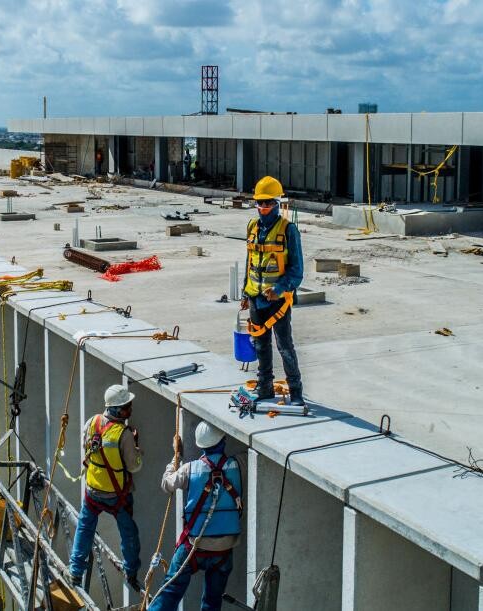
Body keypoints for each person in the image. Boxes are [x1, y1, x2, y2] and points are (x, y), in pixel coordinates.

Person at [147, 422, 243, 611]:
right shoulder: (238, 465)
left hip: (194, 546)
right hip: (224, 548)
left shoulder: (190, 469)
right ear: (223, 441)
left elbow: (167, 484)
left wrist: (176, 455)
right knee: (212, 602)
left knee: (170, 592)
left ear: (201, 445)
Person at [68, 384, 143, 592]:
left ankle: (75, 570)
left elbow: (88, 448)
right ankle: (131, 571)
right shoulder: (124, 433)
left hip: (93, 489)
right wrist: (135, 447)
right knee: (129, 533)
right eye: (128, 406)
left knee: (85, 527)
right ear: (117, 410)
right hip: (116, 495)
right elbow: (134, 466)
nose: (130, 409)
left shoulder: (92, 422)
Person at [240, 175, 305, 406]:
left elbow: (297, 271)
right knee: (261, 345)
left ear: (277, 203)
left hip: (278, 301)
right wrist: (245, 293)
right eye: (260, 203)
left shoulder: (288, 230)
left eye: (268, 203)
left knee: (284, 345)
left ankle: (296, 391)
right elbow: (250, 261)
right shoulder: (252, 227)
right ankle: (265, 387)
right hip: (256, 299)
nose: (263, 208)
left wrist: (279, 288)